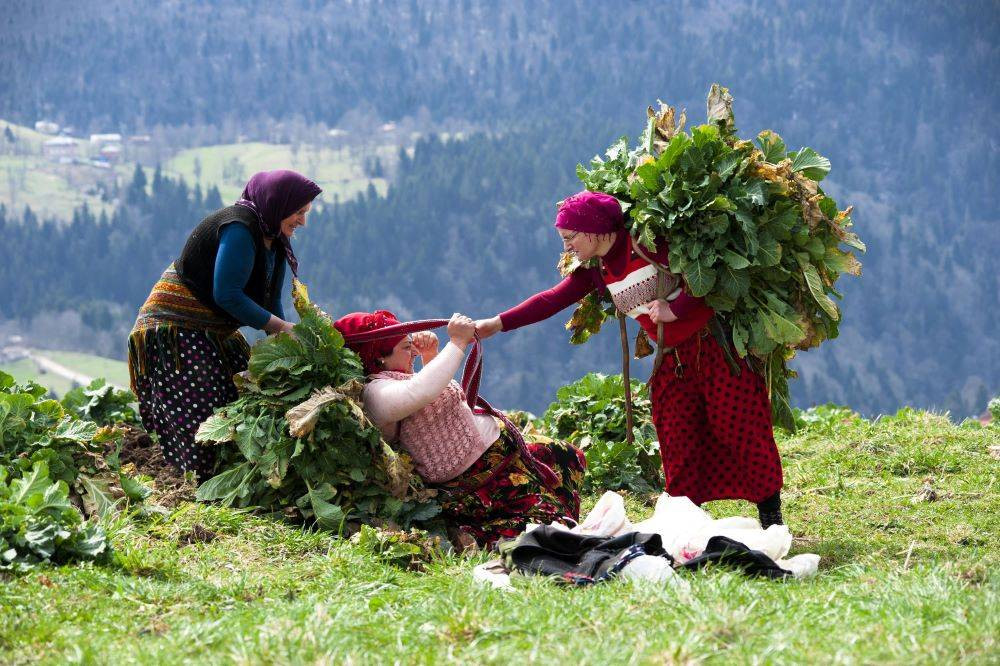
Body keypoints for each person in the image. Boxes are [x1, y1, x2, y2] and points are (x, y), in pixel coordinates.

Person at [475, 191, 785, 528]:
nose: (567, 248)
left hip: (715, 347)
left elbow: (710, 272)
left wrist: (676, 309)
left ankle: (771, 516)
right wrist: (496, 324)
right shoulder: (599, 269)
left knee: (740, 428)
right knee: (676, 438)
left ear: (594, 230)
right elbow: (551, 299)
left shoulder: (650, 243)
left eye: (570, 238)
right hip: (672, 360)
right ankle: (685, 526)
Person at [128, 170, 322, 481]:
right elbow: (228, 294)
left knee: (239, 393)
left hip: (212, 328)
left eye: (306, 213)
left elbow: (270, 302)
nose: (303, 221)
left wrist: (287, 344)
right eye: (299, 212)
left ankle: (217, 479)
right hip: (175, 326)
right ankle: (195, 486)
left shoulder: (274, 237)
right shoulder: (239, 228)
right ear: (277, 203)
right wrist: (283, 329)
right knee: (204, 408)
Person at [334, 310, 586, 548]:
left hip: (501, 458)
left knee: (568, 457)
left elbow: (435, 403)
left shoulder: (395, 379)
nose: (412, 352)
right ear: (379, 356)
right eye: (405, 347)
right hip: (480, 479)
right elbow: (419, 393)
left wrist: (430, 356)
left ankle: (565, 531)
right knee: (551, 525)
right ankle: (473, 536)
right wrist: (456, 343)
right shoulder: (375, 392)